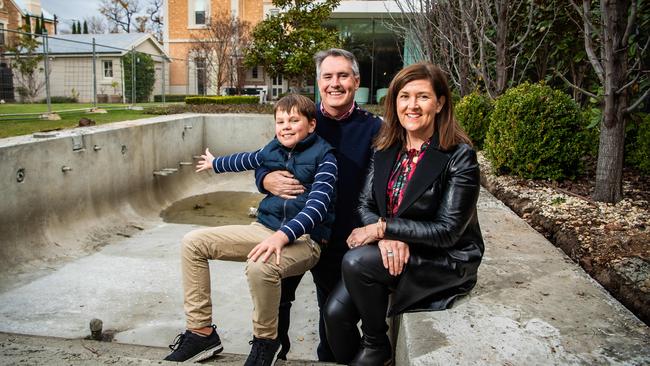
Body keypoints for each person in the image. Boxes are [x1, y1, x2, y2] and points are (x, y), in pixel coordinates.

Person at [323, 62, 485, 365]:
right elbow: (365, 206)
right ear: (394, 102)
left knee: (355, 260)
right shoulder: (386, 146)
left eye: (422, 97)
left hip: (441, 257)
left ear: (439, 104)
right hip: (391, 252)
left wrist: (383, 229)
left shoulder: (459, 156)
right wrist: (386, 234)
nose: (412, 105)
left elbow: (448, 231)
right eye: (404, 96)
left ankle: (376, 344)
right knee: (333, 316)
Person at [164, 94, 338, 366]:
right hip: (264, 228)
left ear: (312, 125)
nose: (286, 126)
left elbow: (317, 208)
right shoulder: (273, 149)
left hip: (306, 239)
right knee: (192, 242)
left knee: (261, 266)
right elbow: (247, 159)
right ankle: (201, 333)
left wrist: (284, 235)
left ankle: (265, 343)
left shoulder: (325, 157)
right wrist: (215, 163)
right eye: (280, 121)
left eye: (294, 120)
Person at [255, 48, 383, 361]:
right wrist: (265, 180)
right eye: (327, 76)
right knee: (277, 302)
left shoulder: (375, 128)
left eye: (342, 76)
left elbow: (385, 185)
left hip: (343, 241)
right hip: (295, 233)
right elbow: (265, 158)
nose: (334, 83)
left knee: (334, 316)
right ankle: (274, 354)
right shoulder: (302, 120)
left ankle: (331, 358)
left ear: (356, 81)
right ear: (319, 82)